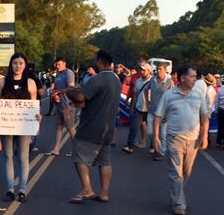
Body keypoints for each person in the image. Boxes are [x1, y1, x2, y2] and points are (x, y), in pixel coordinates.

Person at [153, 66, 209, 215]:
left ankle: (177, 193)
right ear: (182, 78)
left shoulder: (199, 94)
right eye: (191, 76)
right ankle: (179, 203)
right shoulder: (169, 95)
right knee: (176, 173)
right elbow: (158, 117)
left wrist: (205, 137)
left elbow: (204, 117)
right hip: (174, 138)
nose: (194, 79)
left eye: (195, 76)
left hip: (194, 140)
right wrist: (156, 137)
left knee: (186, 171)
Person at [67, 50, 122, 203]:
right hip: (108, 129)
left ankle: (87, 189)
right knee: (104, 161)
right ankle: (104, 193)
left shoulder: (98, 79)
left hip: (91, 127)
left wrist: (69, 91)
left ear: (99, 61)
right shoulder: (116, 80)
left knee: (80, 158)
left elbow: (80, 96)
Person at [0, 54, 41, 201]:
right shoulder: (2, 82)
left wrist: (37, 116)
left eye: (21, 63)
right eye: (15, 63)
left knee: (23, 157)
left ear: (25, 65)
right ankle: (9, 189)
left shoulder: (31, 83)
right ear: (11, 64)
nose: (18, 66)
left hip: (24, 125)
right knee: (8, 156)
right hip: (7, 124)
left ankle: (22, 189)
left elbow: (34, 105)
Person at [46, 57, 76, 157]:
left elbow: (71, 87)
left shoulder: (68, 72)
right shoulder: (58, 73)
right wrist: (54, 93)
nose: (57, 66)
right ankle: (56, 149)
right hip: (59, 104)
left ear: (64, 63)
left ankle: (78, 150)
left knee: (70, 128)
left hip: (67, 105)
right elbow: (56, 87)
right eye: (56, 64)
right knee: (58, 127)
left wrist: (58, 92)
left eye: (59, 64)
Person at [123, 63, 152, 154]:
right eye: (140, 70)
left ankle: (153, 147)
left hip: (150, 109)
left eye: (144, 70)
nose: (142, 72)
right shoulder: (138, 80)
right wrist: (132, 106)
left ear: (149, 71)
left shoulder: (153, 81)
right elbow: (135, 94)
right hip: (138, 108)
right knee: (133, 127)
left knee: (151, 130)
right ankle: (129, 146)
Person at [147, 62, 174, 160]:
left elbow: (173, 98)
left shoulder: (169, 82)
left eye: (160, 69)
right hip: (152, 110)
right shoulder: (152, 80)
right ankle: (155, 147)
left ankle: (160, 152)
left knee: (162, 135)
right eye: (157, 69)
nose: (158, 71)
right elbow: (146, 90)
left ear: (165, 70)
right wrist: (147, 102)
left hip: (164, 113)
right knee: (150, 132)